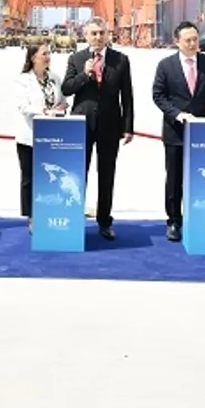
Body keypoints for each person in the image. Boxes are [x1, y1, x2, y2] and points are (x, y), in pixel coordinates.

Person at [61, 16, 134, 241]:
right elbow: (66, 88)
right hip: (81, 126)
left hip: (110, 125)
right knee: (77, 174)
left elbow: (127, 95)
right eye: (93, 33)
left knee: (106, 175)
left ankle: (104, 221)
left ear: (107, 34)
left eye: (102, 33)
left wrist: (128, 126)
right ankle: (74, 220)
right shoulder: (76, 58)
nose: (98, 37)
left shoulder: (121, 60)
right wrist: (84, 74)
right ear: (86, 36)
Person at [152, 21, 205, 242]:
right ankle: (174, 221)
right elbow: (158, 95)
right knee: (174, 179)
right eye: (188, 40)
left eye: (195, 39)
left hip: (203, 133)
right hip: (175, 132)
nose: (193, 44)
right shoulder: (166, 65)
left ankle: (200, 217)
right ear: (177, 42)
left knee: (202, 178)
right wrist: (177, 114)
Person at [13, 43, 65, 228]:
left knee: (48, 176)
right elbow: (23, 106)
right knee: (29, 177)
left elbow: (62, 100)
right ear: (33, 57)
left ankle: (48, 211)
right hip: (29, 136)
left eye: (49, 53)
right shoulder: (23, 80)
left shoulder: (55, 78)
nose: (48, 57)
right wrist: (44, 111)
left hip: (51, 137)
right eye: (44, 54)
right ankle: (31, 216)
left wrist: (61, 107)